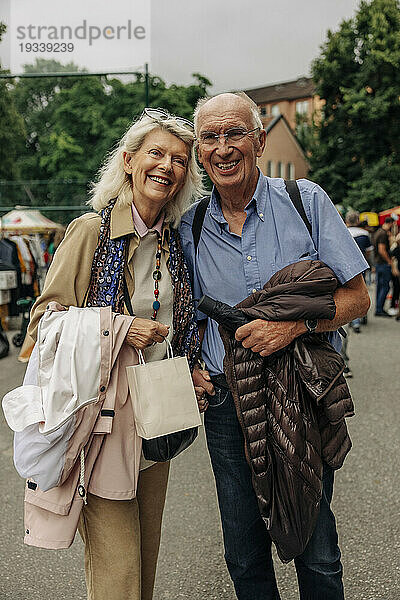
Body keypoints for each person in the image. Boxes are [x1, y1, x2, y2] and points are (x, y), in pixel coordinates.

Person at [180, 92, 370, 600]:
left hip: (303, 390)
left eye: (235, 133)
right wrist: (189, 367)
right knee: (243, 553)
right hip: (225, 402)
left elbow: (357, 297)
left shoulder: (305, 201)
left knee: (317, 548)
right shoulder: (191, 228)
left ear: (259, 141)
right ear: (199, 152)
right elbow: (182, 318)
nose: (223, 148)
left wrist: (293, 328)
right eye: (210, 138)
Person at [27, 108, 205, 600]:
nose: (167, 166)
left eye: (179, 159)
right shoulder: (91, 232)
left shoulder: (177, 242)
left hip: (158, 417)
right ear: (128, 161)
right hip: (102, 426)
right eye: (156, 154)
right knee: (118, 576)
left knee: (144, 566)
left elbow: (182, 326)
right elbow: (41, 326)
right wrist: (121, 328)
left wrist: (193, 368)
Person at [345, 211, 373, 331]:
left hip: (346, 267)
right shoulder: (364, 234)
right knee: (361, 290)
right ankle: (361, 314)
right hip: (360, 266)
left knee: (348, 292)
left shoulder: (343, 232)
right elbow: (368, 251)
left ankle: (353, 319)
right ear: (357, 220)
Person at [374, 216, 395, 316]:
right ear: (390, 223)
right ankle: (379, 309)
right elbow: (381, 250)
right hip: (383, 264)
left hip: (378, 263)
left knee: (380, 287)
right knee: (385, 287)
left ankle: (378, 308)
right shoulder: (383, 234)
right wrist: (389, 261)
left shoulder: (379, 232)